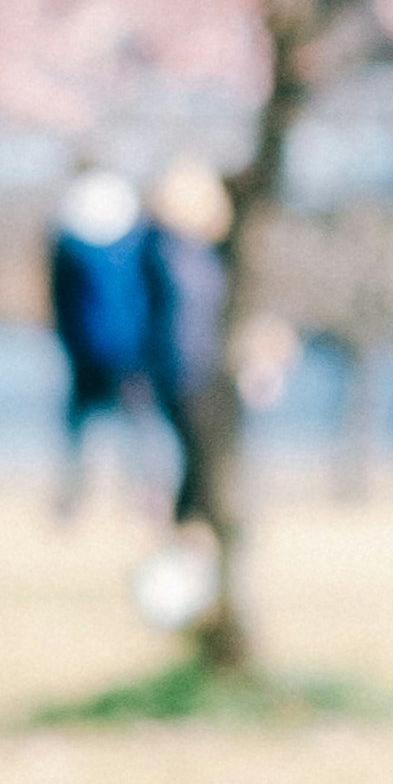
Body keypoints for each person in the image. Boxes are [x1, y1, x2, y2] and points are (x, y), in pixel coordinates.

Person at [46, 167, 156, 517]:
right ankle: (143, 496)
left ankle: (73, 499)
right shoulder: (134, 236)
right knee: (136, 426)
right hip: (129, 347)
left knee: (83, 427)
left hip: (87, 348)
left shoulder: (69, 241)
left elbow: (60, 300)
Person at [139, 160, 232, 519]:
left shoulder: (183, 251)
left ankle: (188, 540)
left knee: (194, 472)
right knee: (188, 470)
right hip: (180, 372)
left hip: (191, 370)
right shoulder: (169, 253)